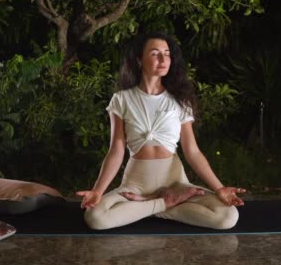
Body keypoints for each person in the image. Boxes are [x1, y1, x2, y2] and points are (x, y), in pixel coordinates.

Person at [76, 32, 246, 230]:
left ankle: (145, 205)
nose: (163, 59)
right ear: (140, 60)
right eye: (155, 53)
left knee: (227, 216)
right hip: (136, 183)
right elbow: (116, 150)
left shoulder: (180, 101)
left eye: (167, 53)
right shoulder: (121, 99)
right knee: (95, 218)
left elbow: (192, 151)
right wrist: (98, 191)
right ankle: (165, 203)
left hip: (175, 181)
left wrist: (219, 188)